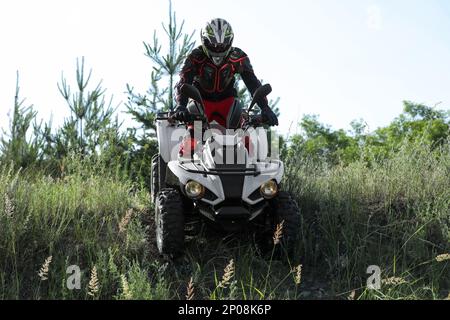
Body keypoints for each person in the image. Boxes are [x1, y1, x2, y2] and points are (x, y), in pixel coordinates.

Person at [173, 18, 278, 129]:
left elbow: (252, 83)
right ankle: (188, 145)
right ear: (204, 40)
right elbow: (183, 82)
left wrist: (265, 107)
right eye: (213, 44)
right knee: (192, 136)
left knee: (245, 136)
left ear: (230, 41)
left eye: (223, 45)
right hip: (200, 102)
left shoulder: (238, 57)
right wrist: (181, 106)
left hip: (228, 104)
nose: (218, 49)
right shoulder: (195, 57)